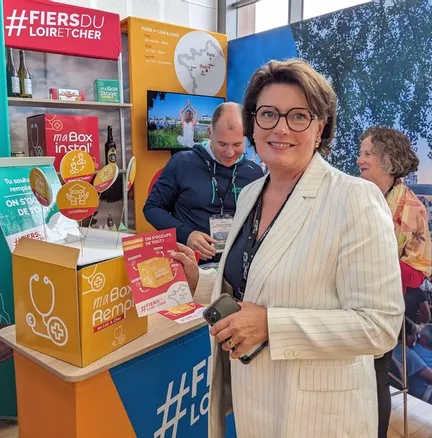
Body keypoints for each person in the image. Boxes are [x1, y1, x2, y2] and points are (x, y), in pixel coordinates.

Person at [172, 59, 404, 438]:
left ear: (320, 126)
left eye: (298, 116)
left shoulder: (353, 198)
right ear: (253, 123)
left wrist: (270, 325)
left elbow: (379, 326)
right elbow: (252, 281)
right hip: (254, 400)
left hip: (318, 417)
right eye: (268, 114)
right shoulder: (251, 194)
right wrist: (200, 281)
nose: (280, 128)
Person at [357, 126, 432, 437]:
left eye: (367, 154)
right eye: (360, 153)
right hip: (343, 301)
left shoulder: (413, 210)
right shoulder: (354, 194)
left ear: (388, 160)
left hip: (381, 307)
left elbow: (418, 272)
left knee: (376, 379)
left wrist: (372, 261)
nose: (359, 160)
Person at [144, 102, 264, 263]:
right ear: (209, 133)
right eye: (222, 144)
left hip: (235, 267)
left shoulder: (254, 172)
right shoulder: (181, 163)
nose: (229, 153)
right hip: (190, 264)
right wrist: (186, 235)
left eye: (237, 144)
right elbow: (152, 208)